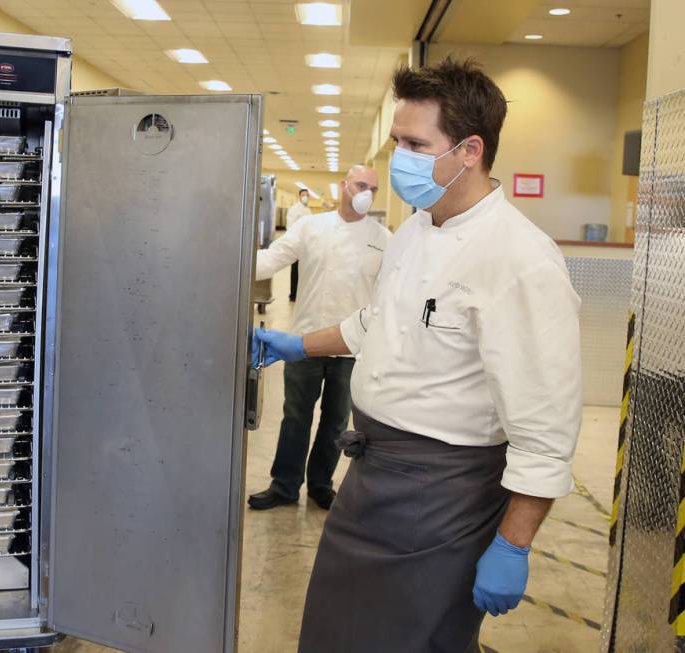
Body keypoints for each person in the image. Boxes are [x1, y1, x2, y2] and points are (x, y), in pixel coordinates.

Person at [255, 58, 582, 652]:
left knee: (410, 639)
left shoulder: (520, 260)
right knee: (336, 632)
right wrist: (296, 343)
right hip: (373, 473)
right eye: (397, 141)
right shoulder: (416, 230)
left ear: (468, 150)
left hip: (444, 494)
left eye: (414, 143)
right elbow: (375, 323)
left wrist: (512, 544)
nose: (398, 159)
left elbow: (545, 431)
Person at [248, 165, 391, 511]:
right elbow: (271, 260)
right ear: (344, 186)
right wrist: (229, 263)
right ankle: (284, 486)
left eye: (372, 187)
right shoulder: (311, 227)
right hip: (305, 342)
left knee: (336, 422)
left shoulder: (385, 239)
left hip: (351, 349)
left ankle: (321, 485)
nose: (366, 193)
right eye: (360, 185)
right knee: (296, 416)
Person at [284, 189, 312, 301]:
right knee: (295, 270)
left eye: (306, 195)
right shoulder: (294, 209)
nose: (305, 197)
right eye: (303, 195)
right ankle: (293, 294)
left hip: (306, 243)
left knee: (303, 269)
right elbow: (290, 226)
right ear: (299, 196)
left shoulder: (308, 210)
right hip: (296, 242)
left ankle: (300, 293)